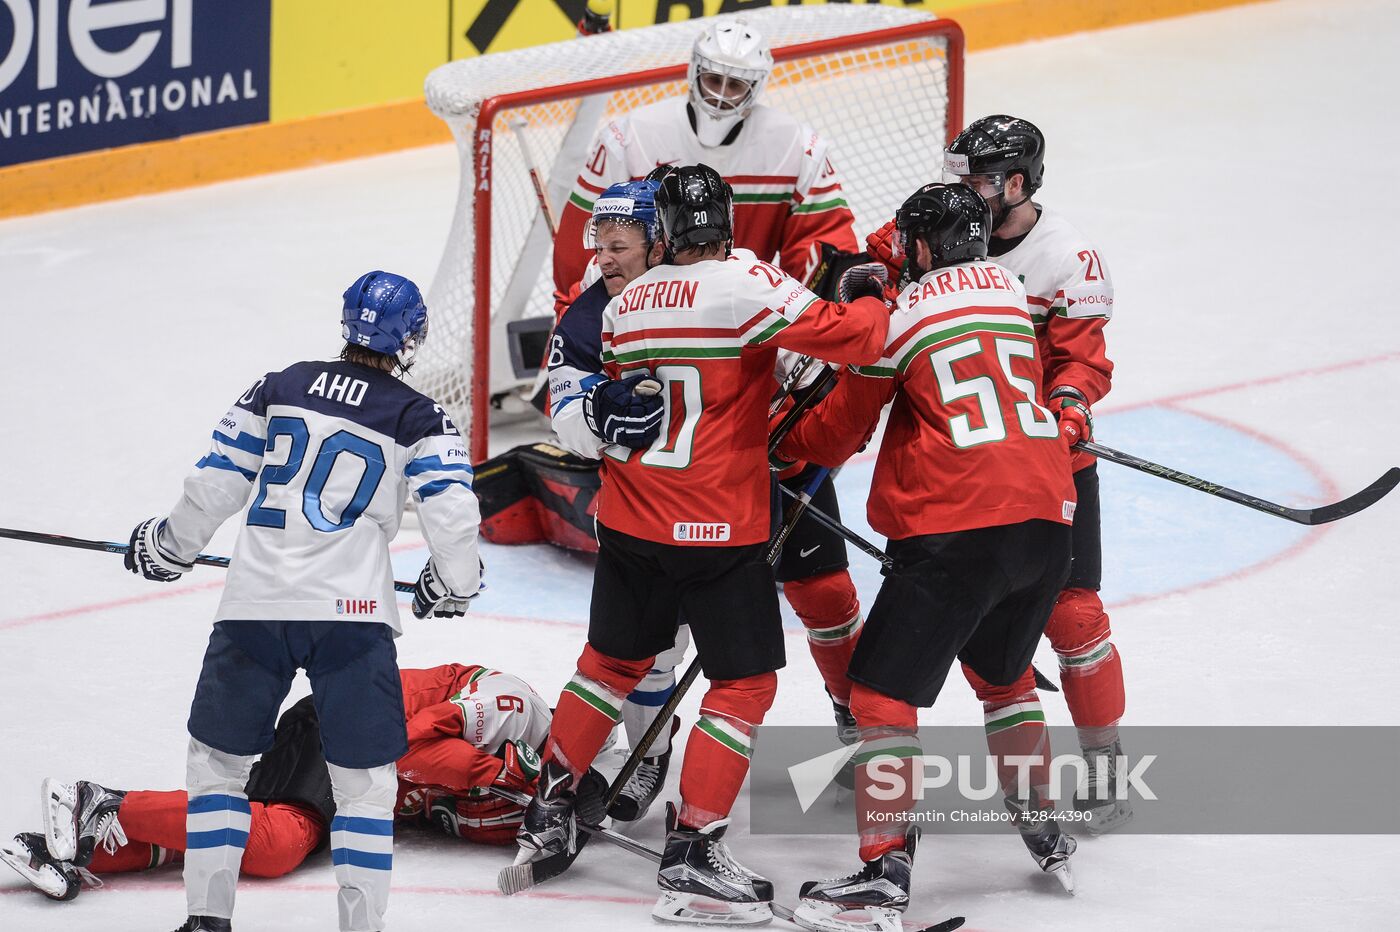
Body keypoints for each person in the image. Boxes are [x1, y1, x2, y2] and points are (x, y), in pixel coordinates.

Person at [520, 163, 890, 926]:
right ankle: (694, 852)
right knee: (745, 687)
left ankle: (547, 806)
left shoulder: (622, 309)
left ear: (660, 233)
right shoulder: (746, 282)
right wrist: (868, 292)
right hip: (717, 527)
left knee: (607, 665)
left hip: (629, 521)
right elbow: (856, 340)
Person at [115, 272, 483, 932]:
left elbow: (217, 482)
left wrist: (169, 546)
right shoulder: (419, 417)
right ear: (411, 338)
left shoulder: (278, 385)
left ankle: (207, 919)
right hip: (353, 617)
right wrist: (453, 584)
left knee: (219, 766)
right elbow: (452, 520)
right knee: (364, 784)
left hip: (256, 604)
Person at [776, 183, 1078, 931]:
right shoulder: (1011, 292)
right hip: (1049, 518)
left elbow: (842, 431)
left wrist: (780, 448)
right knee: (1003, 677)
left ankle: (882, 876)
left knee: (880, 698)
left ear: (918, 247)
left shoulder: (901, 320)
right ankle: (1044, 821)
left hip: (959, 526)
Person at [927, 114, 1126, 832]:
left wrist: (1068, 408)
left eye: (978, 178)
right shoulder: (945, 228)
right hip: (962, 467)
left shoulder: (1065, 257)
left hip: (1047, 461)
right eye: (962, 174)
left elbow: (1081, 359)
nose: (963, 189)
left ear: (1017, 183)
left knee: (1073, 615)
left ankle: (1105, 763)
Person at [0, 664, 549, 902]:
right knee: (273, 847)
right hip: (343, 724)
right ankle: (103, 803)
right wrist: (496, 774)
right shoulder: (519, 708)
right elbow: (408, 742)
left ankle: (69, 848)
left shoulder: (517, 821)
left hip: (357, 784)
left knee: (234, 846)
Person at [552, 19, 858, 313]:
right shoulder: (629, 138)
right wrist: (578, 313)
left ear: (755, 86)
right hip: (642, 314)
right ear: (694, 72)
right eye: (713, 79)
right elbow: (584, 246)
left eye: (735, 84)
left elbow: (821, 246)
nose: (721, 95)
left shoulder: (799, 147)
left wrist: (813, 314)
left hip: (745, 314)